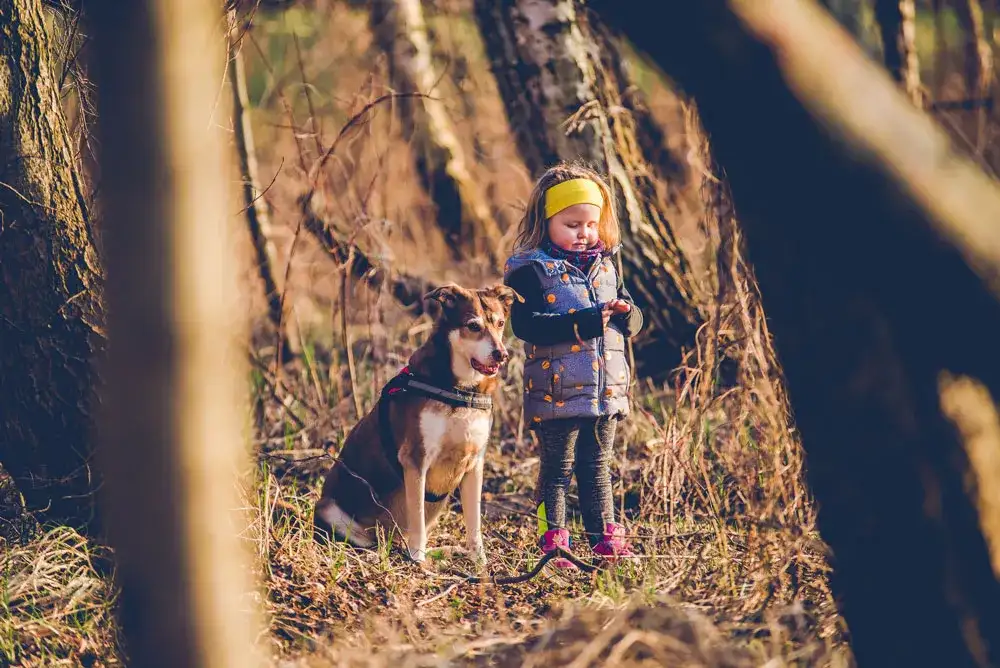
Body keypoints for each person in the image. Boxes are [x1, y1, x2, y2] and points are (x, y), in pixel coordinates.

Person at [502, 161, 644, 567]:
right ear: (546, 222)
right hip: (557, 392)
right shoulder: (531, 271)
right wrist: (584, 322)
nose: (584, 234)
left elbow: (634, 321)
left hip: (605, 392)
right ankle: (554, 541)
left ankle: (603, 538)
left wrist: (624, 313)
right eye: (571, 225)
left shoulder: (606, 267)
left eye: (590, 224)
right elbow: (526, 326)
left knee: (597, 465)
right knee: (557, 469)